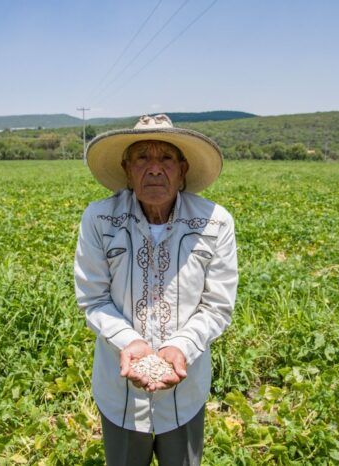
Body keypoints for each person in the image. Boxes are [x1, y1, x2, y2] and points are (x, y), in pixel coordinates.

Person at [74, 114, 238, 466]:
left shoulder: (215, 222)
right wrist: (130, 342)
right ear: (126, 168)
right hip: (120, 389)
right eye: (142, 158)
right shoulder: (100, 220)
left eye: (165, 158)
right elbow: (94, 299)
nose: (154, 169)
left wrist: (180, 347)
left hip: (185, 385)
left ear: (182, 168)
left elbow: (216, 306)